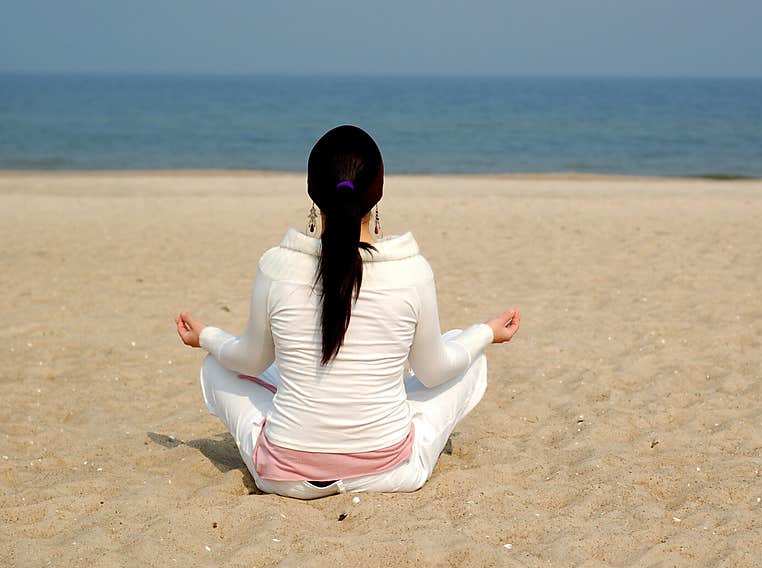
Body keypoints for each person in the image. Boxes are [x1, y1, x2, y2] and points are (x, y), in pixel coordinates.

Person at [175, 125, 520, 500]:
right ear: (377, 195)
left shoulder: (276, 266)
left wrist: (206, 336)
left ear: (313, 194)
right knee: (468, 350)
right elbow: (432, 372)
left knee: (215, 364)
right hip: (389, 471)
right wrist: (486, 332)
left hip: (284, 476)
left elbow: (251, 360)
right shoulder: (412, 271)